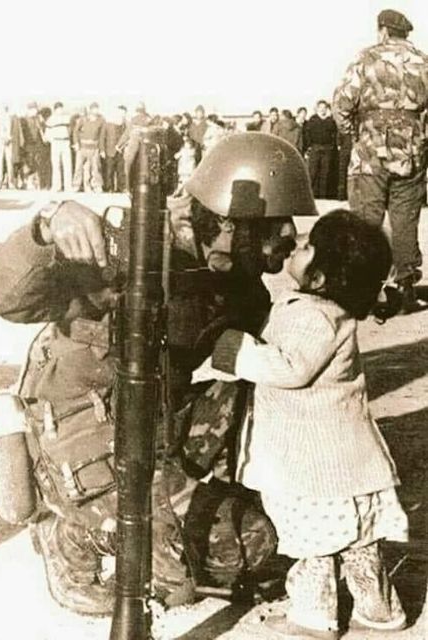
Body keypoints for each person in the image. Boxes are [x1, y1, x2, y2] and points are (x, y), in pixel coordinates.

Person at [0, 132, 316, 617]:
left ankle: (166, 508)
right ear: (224, 222)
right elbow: (3, 296)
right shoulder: (126, 250)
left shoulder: (237, 284)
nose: (281, 244)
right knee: (174, 577)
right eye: (270, 229)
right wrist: (46, 227)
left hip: (154, 422)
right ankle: (69, 536)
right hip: (81, 433)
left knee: (249, 542)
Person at [195, 209, 408, 640]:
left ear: (323, 278)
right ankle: (379, 609)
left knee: (314, 545)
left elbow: (289, 368)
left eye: (308, 246)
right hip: (343, 459)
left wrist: (233, 347)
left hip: (309, 464)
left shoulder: (315, 316)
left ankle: (314, 618)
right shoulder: (331, 310)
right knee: (358, 543)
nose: (296, 245)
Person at [333, 9, 428, 313]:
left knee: (365, 222)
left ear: (383, 31)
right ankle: (407, 289)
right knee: (405, 220)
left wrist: (356, 136)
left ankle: (367, 291)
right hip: (412, 150)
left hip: (371, 150)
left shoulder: (366, 59)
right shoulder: (423, 61)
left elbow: (342, 104)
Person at [305, 100, 338, 198]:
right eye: (321, 108)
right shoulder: (313, 120)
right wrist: (309, 146)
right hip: (315, 148)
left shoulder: (330, 121)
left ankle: (322, 196)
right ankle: (310, 196)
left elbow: (334, 135)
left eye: (324, 108)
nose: (322, 110)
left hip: (327, 149)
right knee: (313, 172)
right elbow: (307, 134)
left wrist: (332, 146)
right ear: (317, 108)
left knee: (325, 173)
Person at [72, 102, 105, 193]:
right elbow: (75, 131)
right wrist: (76, 143)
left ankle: (96, 186)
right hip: (82, 147)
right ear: (90, 110)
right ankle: (76, 185)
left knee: (96, 168)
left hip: (94, 148)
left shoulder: (101, 120)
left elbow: (102, 136)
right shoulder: (83, 119)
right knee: (78, 167)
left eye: (97, 109)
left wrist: (101, 149)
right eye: (94, 109)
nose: (96, 111)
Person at [0, 105, 24, 190]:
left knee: (10, 162)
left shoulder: (12, 117)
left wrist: (11, 138)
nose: (4, 108)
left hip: (9, 141)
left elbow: (17, 130)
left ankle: (11, 182)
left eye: (6, 107)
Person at [44, 102, 72, 192]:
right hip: (56, 143)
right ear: (55, 110)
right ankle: (56, 186)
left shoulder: (67, 118)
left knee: (67, 165)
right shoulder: (51, 119)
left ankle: (68, 186)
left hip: (65, 142)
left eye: (61, 108)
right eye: (58, 108)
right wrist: (51, 140)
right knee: (56, 165)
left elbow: (70, 130)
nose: (60, 110)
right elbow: (47, 133)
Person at [21, 102, 48, 190]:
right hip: (28, 144)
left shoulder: (37, 119)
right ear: (30, 110)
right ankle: (26, 181)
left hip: (36, 145)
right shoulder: (24, 119)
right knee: (28, 163)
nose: (36, 111)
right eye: (35, 109)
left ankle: (34, 183)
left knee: (36, 163)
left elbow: (41, 130)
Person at [100, 105, 127, 193]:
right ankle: (109, 188)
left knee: (120, 171)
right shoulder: (108, 123)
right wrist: (102, 150)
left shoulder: (125, 124)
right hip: (109, 150)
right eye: (120, 112)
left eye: (123, 113)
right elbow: (102, 137)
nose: (121, 114)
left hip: (120, 151)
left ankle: (120, 188)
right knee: (109, 171)